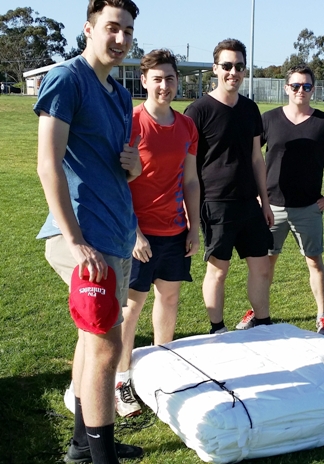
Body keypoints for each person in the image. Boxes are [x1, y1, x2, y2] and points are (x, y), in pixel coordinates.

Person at [35, 1, 144, 462]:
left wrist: (136, 166)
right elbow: (47, 163)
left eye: (128, 31)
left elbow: (119, 167)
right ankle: (102, 458)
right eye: (112, 28)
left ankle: (84, 444)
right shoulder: (66, 79)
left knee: (90, 344)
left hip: (116, 236)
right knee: (107, 346)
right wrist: (75, 239)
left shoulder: (120, 95)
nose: (120, 39)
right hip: (84, 240)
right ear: (89, 28)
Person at [114, 49, 200, 417]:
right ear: (144, 81)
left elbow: (192, 180)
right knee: (131, 308)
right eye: (158, 78)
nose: (165, 85)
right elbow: (116, 184)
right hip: (137, 233)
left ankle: (162, 370)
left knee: (169, 299)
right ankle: (121, 380)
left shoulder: (186, 127)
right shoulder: (130, 121)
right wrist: (134, 233)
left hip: (174, 230)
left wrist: (194, 226)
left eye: (171, 78)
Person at [184, 38, 274, 334]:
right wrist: (191, 212)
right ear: (215, 69)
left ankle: (262, 323)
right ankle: (217, 329)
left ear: (244, 70)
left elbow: (256, 159)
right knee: (218, 271)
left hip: (250, 203)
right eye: (226, 66)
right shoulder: (197, 111)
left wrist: (265, 201)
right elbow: (188, 168)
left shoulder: (250, 109)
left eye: (238, 66)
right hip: (215, 203)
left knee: (261, 268)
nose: (232, 71)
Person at [250, 64, 324, 336]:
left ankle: (322, 315)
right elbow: (252, 158)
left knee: (314, 261)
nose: (300, 90)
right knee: (265, 264)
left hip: (308, 208)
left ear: (313, 89)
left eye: (306, 86)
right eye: (295, 86)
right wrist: (258, 195)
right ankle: (258, 312)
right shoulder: (268, 119)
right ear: (286, 88)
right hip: (271, 207)